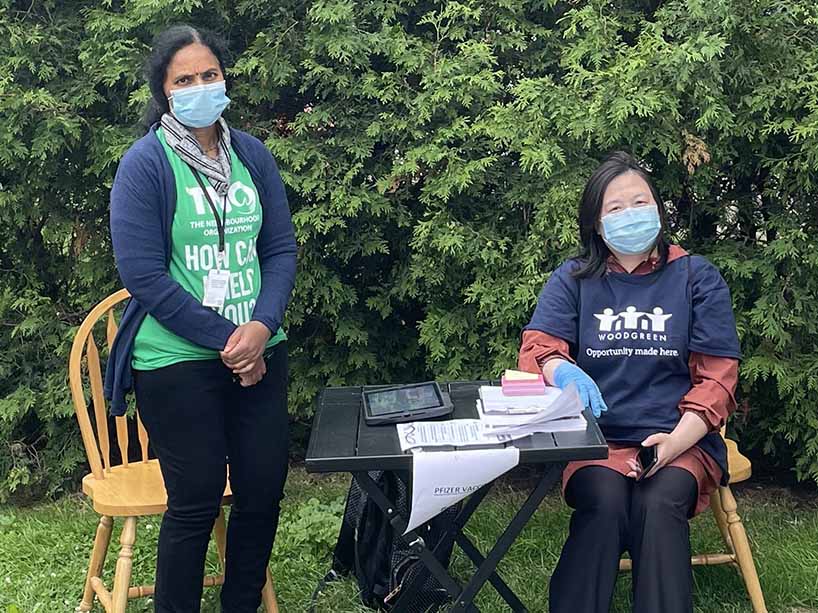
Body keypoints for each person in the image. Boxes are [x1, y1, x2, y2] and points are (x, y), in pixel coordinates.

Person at [103, 25, 297, 613]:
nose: (199, 87)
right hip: (176, 360)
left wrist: (260, 330)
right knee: (195, 504)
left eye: (208, 75)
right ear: (164, 93)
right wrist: (231, 341)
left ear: (224, 79)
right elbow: (142, 274)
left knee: (262, 494)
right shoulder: (146, 165)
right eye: (183, 80)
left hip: (261, 351)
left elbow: (280, 249)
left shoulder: (252, 156)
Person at [518, 152, 740, 613]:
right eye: (615, 208)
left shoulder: (697, 277)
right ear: (597, 225)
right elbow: (539, 348)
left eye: (640, 202)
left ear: (658, 210)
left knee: (659, 506)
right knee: (604, 502)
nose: (630, 214)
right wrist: (563, 370)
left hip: (682, 438)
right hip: (598, 443)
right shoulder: (573, 279)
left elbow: (718, 379)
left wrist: (674, 443)